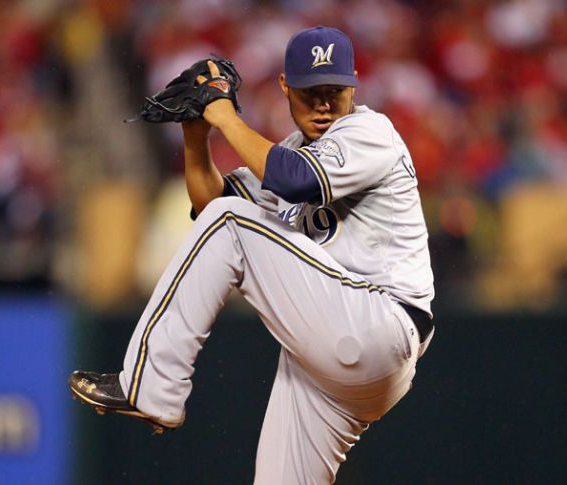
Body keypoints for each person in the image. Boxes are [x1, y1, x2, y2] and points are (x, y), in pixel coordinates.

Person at [69, 25, 436, 484]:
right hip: (332, 362)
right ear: (285, 87)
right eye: (310, 92)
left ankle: (152, 389)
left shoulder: (370, 131)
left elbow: (294, 183)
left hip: (380, 322)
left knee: (231, 222)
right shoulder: (284, 153)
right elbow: (210, 206)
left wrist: (223, 114)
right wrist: (196, 132)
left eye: (334, 91)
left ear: (354, 84)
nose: (323, 104)